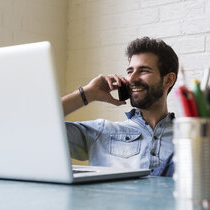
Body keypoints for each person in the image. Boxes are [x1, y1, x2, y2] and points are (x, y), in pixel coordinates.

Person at [62, 37, 178, 170]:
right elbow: (36, 127)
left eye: (144, 70)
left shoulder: (191, 138)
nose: (132, 78)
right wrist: (88, 93)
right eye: (130, 71)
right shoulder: (101, 132)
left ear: (168, 80)